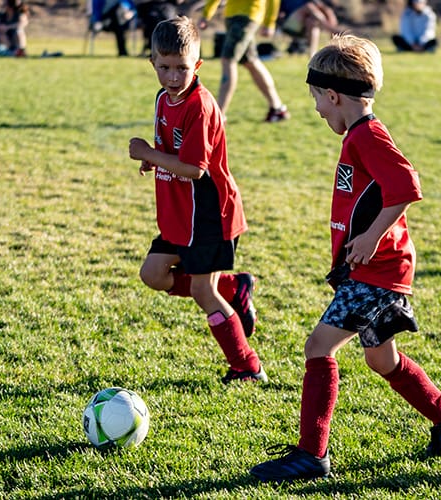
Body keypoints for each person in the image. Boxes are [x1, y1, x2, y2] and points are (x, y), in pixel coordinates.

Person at [248, 34, 441, 483]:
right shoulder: (358, 134)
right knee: (382, 359)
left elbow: (406, 186)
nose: (316, 109)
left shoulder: (367, 135)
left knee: (319, 347)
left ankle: (311, 455)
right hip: (372, 270)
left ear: (332, 95)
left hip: (378, 272)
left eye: (316, 99)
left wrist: (372, 238)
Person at [128, 16, 267, 385]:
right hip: (178, 212)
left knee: (203, 290)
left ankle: (247, 366)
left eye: (182, 68)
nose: (174, 76)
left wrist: (148, 152)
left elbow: (194, 169)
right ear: (153, 63)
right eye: (165, 67)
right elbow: (172, 148)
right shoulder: (163, 97)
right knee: (153, 274)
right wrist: (152, 157)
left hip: (208, 214)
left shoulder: (200, 105)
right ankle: (233, 288)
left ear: (197, 65)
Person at [199, 0, 290, 121]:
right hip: (232, 16)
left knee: (228, 60)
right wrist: (206, 14)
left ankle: (219, 115)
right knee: (250, 62)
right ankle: (278, 109)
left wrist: (269, 23)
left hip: (248, 16)